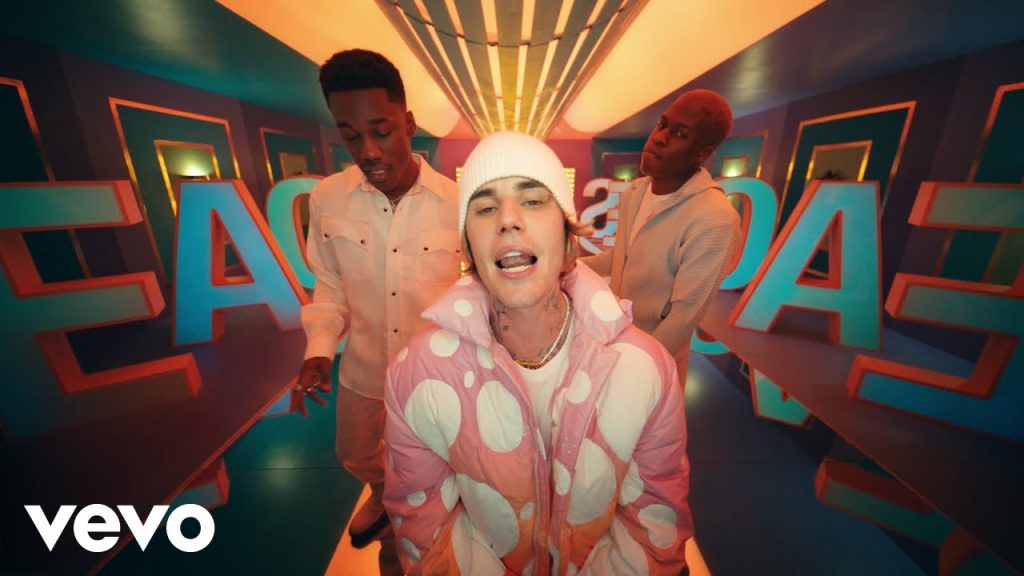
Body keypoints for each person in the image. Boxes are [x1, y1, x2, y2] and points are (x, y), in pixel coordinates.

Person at [384, 131, 692, 575]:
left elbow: (653, 531)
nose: (508, 219)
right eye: (485, 208)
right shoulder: (417, 374)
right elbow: (425, 534)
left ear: (568, 241)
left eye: (532, 200)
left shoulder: (645, 369)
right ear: (469, 249)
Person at [294, 49, 461, 568]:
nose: (367, 151)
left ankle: (421, 538)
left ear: (408, 122)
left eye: (381, 131)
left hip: (437, 378)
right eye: (350, 136)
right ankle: (387, 499)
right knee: (356, 454)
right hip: (364, 370)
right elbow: (330, 284)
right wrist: (319, 349)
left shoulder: (459, 203)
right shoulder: (327, 198)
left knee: (439, 476)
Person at [581, 89, 742, 383]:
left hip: (650, 370)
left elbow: (684, 316)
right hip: (612, 344)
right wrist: (559, 266)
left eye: (680, 134)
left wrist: (635, 370)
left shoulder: (715, 218)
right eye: (662, 125)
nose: (659, 138)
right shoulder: (635, 192)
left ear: (703, 153)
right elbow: (622, 258)